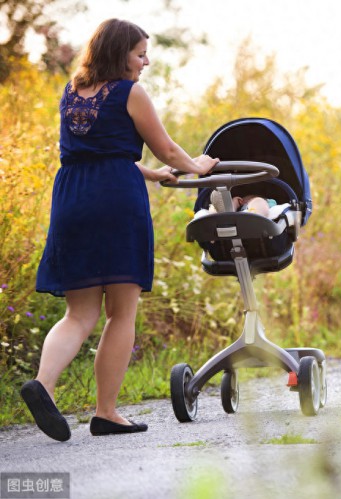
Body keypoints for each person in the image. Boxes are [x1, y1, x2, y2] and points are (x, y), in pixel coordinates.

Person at [23, 18, 219, 441]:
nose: (145, 61)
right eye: (140, 53)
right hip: (116, 201)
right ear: (119, 53)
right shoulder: (130, 93)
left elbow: (103, 152)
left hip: (72, 198)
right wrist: (198, 165)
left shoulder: (72, 93)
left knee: (79, 313)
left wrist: (153, 175)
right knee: (121, 313)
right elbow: (167, 147)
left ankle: (43, 384)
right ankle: (107, 412)